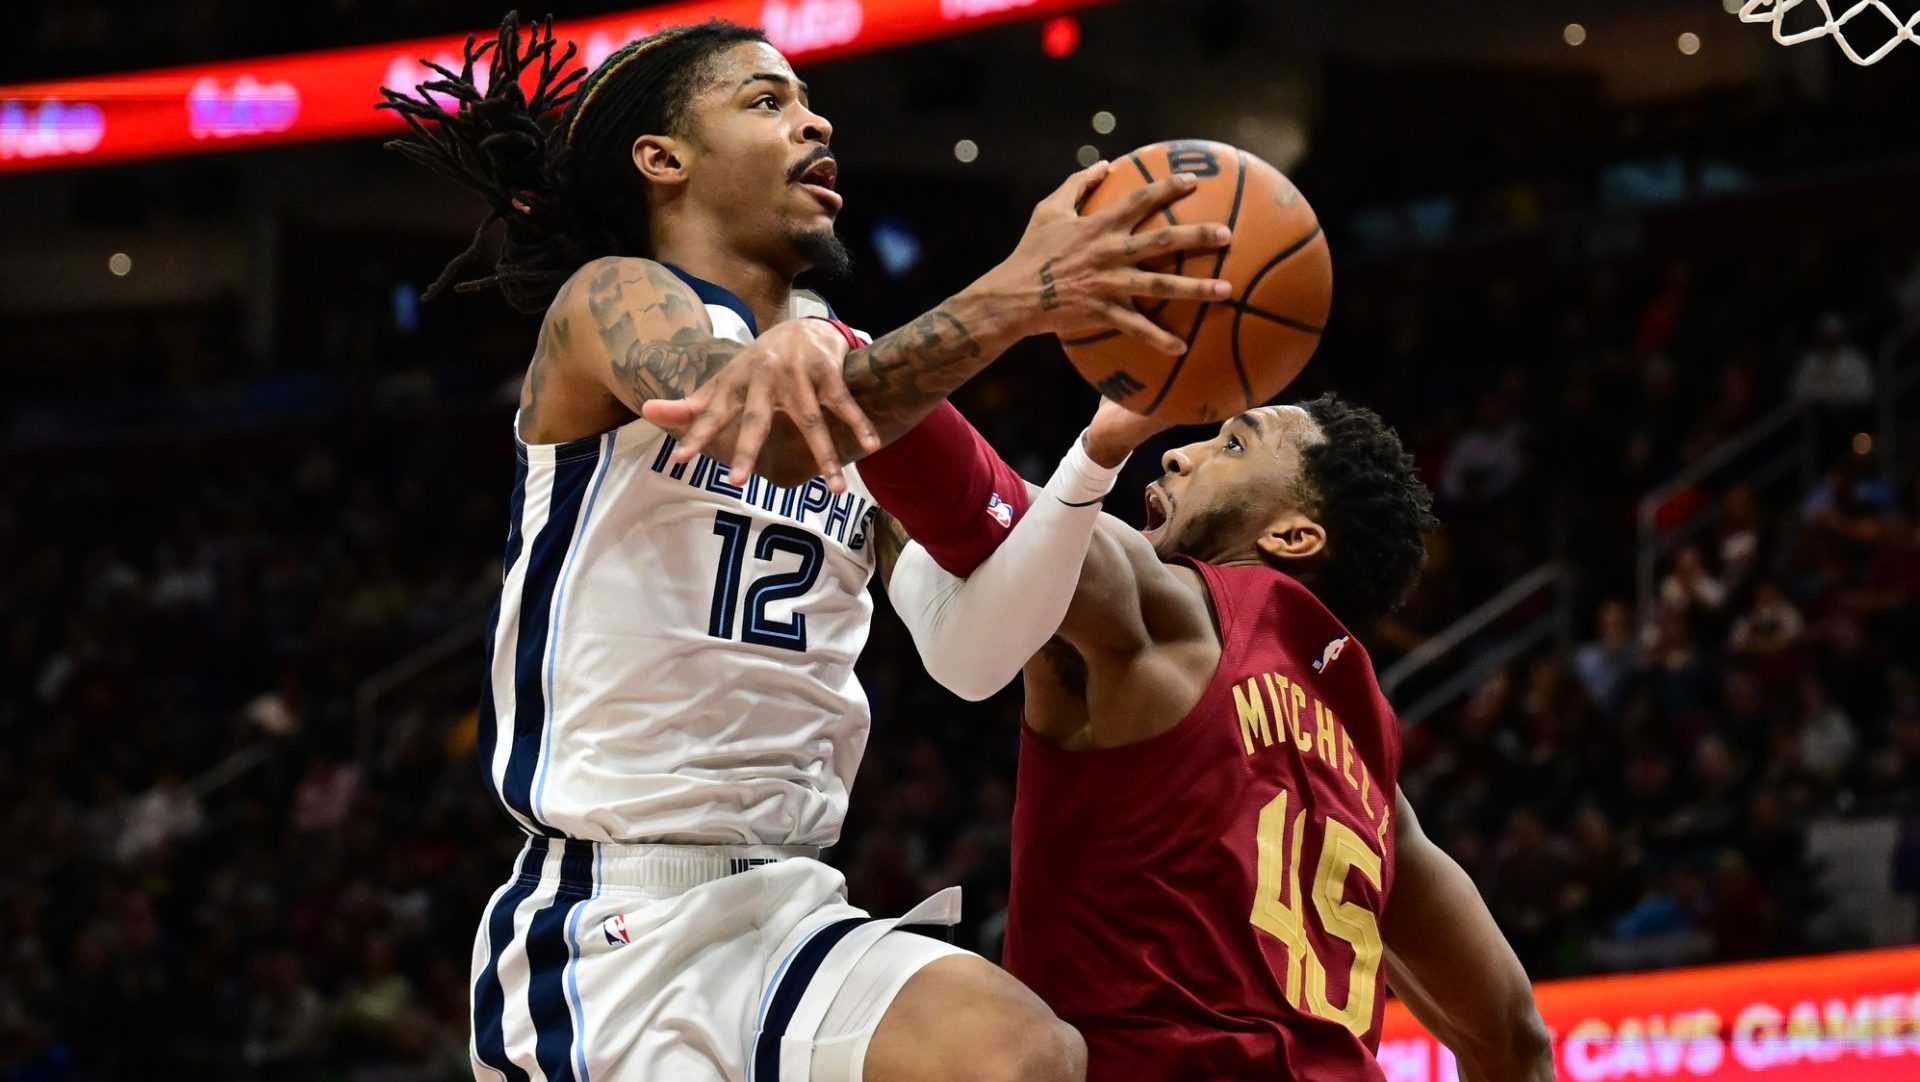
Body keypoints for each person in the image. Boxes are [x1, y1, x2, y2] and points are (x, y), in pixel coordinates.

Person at [381, 14, 1233, 1082]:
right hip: (612, 923)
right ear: (663, 159)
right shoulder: (611, 300)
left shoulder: (862, 365)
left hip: (790, 907)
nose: (814, 119)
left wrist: (1097, 454)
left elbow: (971, 651)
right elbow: (773, 431)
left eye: (807, 101)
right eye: (766, 100)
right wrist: (1018, 296)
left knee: (1025, 1054)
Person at [874, 398, 1553, 1080]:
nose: (1177, 454)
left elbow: (976, 502)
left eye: (1233, 446)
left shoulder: (1174, 614)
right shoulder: (1372, 767)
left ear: (1293, 536)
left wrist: (852, 377)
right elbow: (1514, 1037)